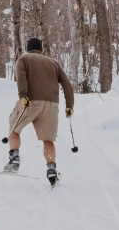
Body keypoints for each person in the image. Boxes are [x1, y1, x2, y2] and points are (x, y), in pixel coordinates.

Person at [4, 37, 74, 186]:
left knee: (14, 128)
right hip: (51, 105)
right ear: (41, 49)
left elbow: (21, 77)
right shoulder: (54, 63)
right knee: (48, 139)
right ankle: (51, 170)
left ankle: (14, 158)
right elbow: (67, 84)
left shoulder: (24, 59)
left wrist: (23, 96)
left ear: (28, 48)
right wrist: (69, 105)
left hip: (31, 102)